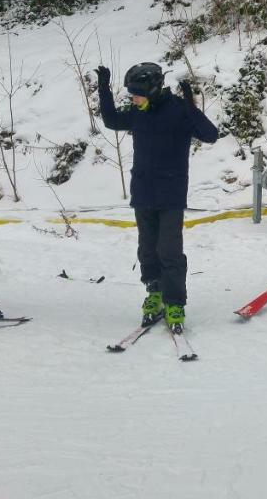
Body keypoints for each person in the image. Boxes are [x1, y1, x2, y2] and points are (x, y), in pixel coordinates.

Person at [97, 62, 219, 332]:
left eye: (136, 94)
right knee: (147, 249)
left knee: (169, 251)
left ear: (151, 90)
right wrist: (103, 88)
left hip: (171, 195)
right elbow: (111, 120)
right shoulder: (139, 112)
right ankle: (154, 292)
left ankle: (174, 302)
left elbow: (211, 135)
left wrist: (191, 109)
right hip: (143, 192)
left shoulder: (178, 111)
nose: (133, 99)